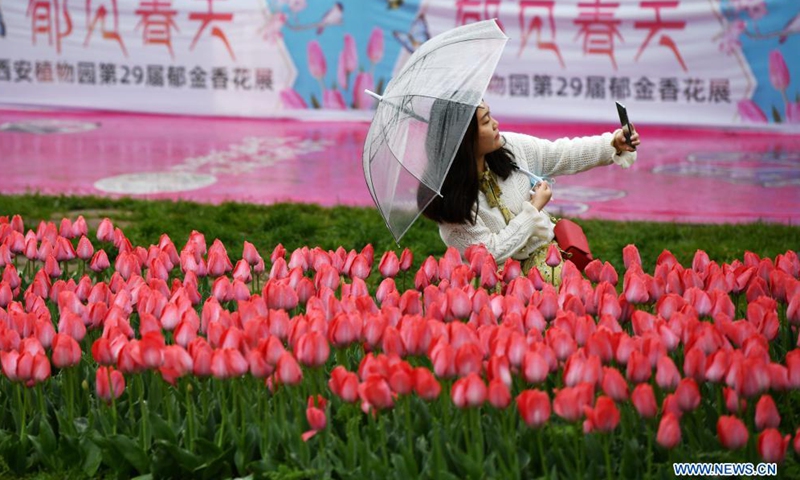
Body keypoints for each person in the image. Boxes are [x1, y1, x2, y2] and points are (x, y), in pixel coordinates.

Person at [419, 99, 640, 284]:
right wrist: (533, 210)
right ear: (464, 138)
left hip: (541, 256)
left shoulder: (510, 148)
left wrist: (612, 144)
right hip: (493, 276)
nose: (496, 124)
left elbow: (559, 154)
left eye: (490, 116)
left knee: (551, 275)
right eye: (486, 121)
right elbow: (490, 253)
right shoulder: (449, 201)